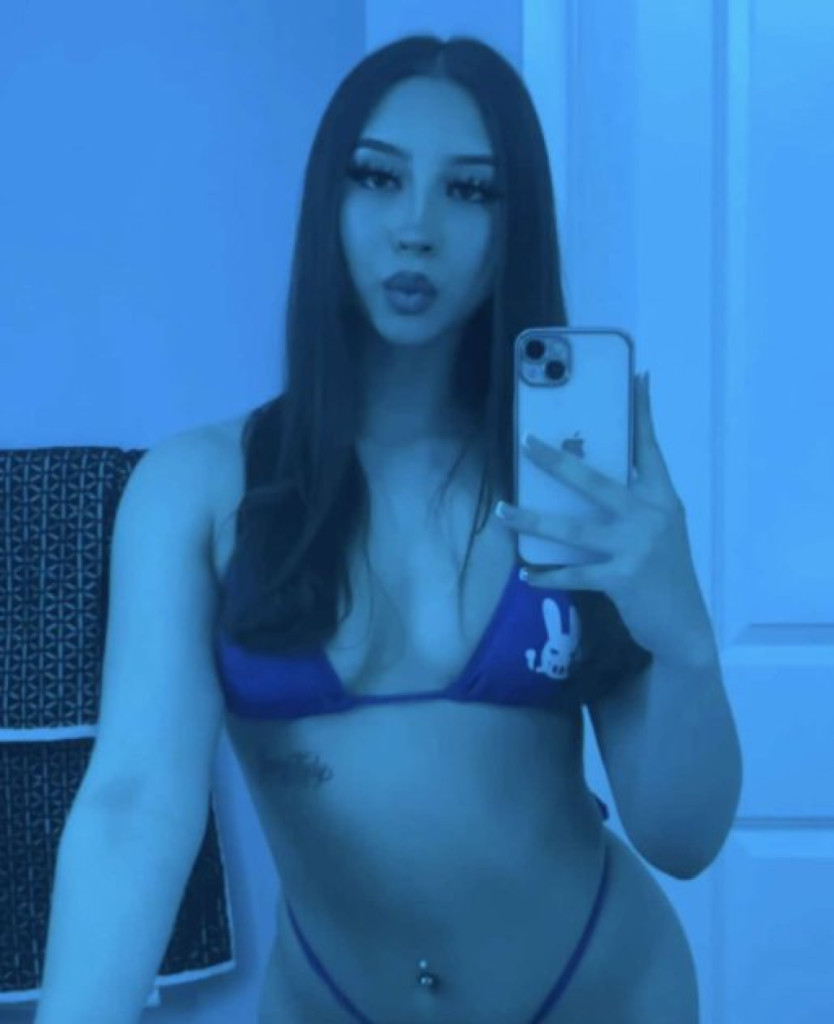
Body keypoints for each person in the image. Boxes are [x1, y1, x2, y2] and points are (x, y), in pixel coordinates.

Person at [39, 34, 733, 1024]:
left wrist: (685, 636)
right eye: (378, 178)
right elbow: (135, 804)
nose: (416, 228)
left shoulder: (576, 484)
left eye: (469, 191)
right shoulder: (195, 489)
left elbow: (683, 837)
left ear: (514, 224)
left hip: (605, 995)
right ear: (328, 199)